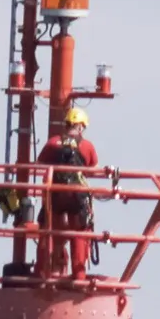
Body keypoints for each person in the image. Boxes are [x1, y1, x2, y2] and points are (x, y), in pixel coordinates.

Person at [37, 106, 98, 278]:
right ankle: (79, 275)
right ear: (80, 126)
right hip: (77, 196)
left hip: (55, 196)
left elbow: (39, 163)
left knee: (48, 230)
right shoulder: (86, 146)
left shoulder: (52, 143)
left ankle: (43, 271)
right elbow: (93, 169)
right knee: (79, 233)